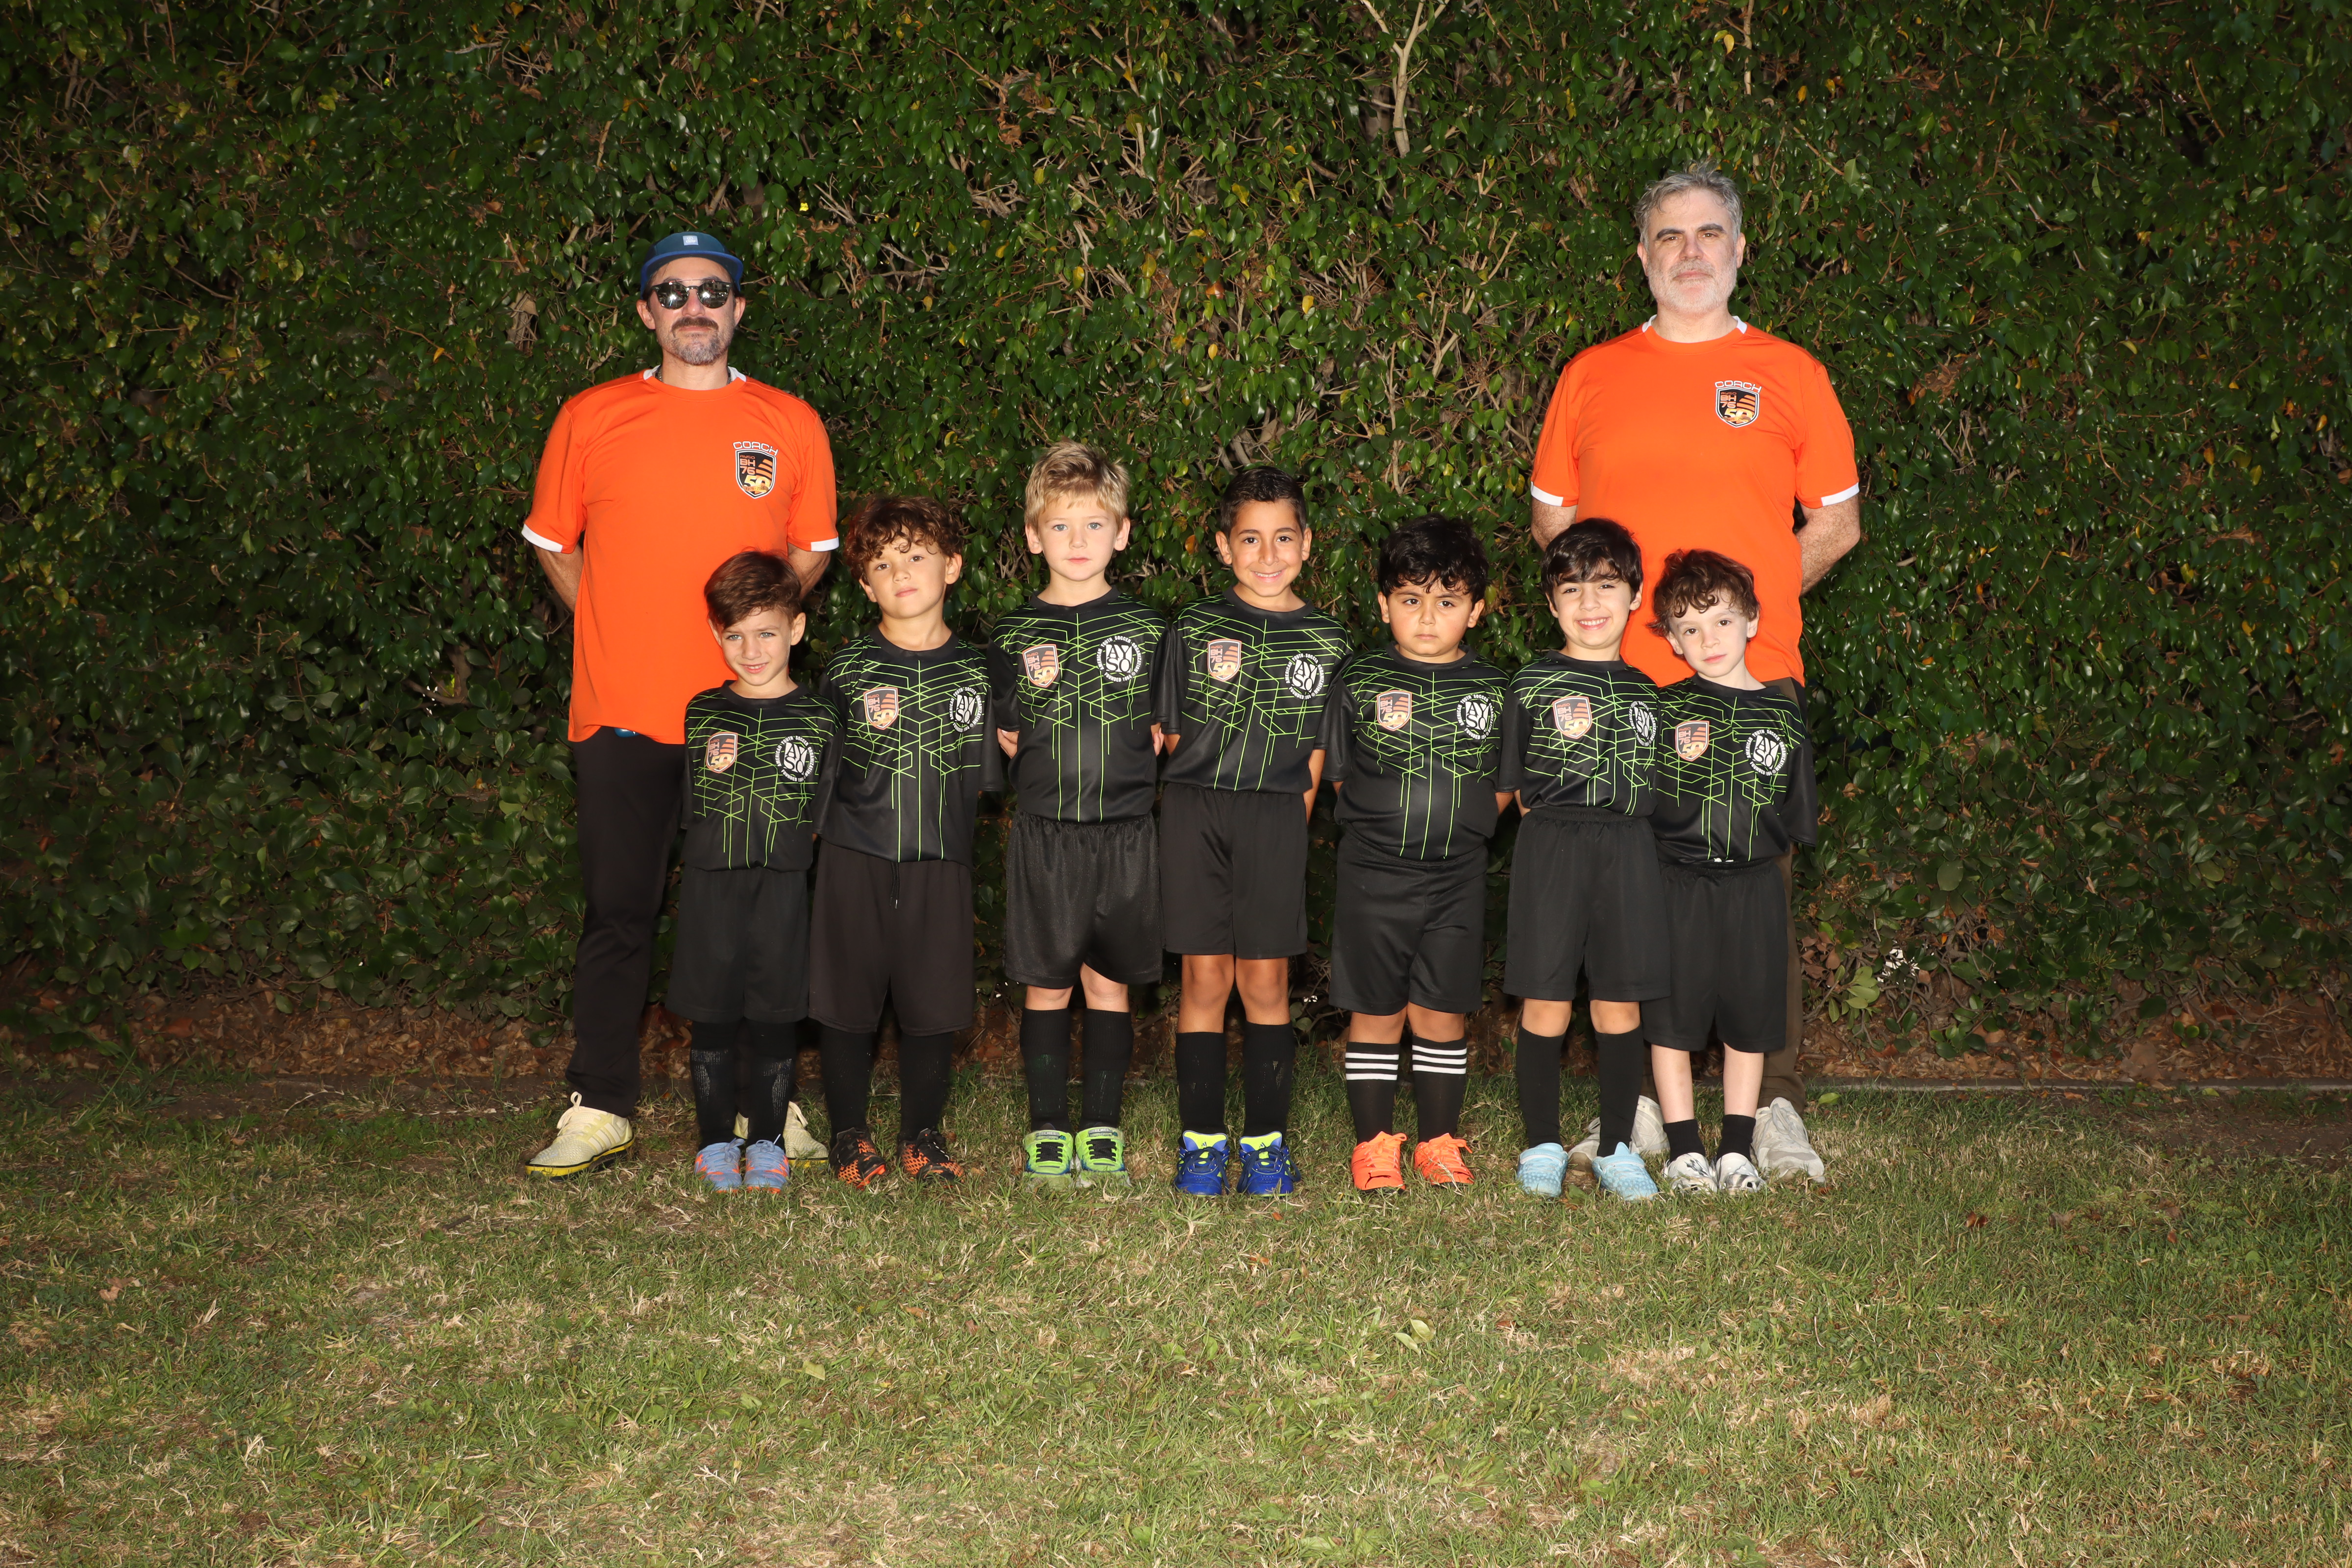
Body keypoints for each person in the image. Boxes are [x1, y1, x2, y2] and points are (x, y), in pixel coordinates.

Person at [1526, 161, 1855, 1182]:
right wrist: (1631, 624)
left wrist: (1735, 623)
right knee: (1633, 897)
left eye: (1710, 233)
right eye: (1668, 236)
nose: (1690, 252)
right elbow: (1553, 520)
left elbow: (1837, 521)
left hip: (1754, 682)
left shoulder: (1790, 372)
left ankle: (1777, 1106)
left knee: (1758, 891)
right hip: (1625, 688)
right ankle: (1636, 1103)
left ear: (1741, 248)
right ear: (1642, 256)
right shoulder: (1592, 373)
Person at [525, 229, 838, 1180]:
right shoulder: (592, 414)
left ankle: (764, 1103)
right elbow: (554, 542)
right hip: (624, 707)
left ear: (738, 308)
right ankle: (600, 1104)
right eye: (672, 292)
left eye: (711, 290)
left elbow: (812, 550)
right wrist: (610, 619)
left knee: (755, 918)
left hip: (748, 720)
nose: (692, 306)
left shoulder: (789, 421)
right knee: (619, 912)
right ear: (645, 311)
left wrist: (756, 639)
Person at [1155, 466, 1351, 1197]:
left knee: (1266, 981)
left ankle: (1267, 1143)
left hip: (1276, 815)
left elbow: (1321, 750)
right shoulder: (1194, 628)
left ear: (1307, 544)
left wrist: (1289, 821)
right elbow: (1172, 733)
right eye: (1249, 539)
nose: (1268, 555)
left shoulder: (1329, 640)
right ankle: (1203, 1143)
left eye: (1283, 538)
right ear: (1223, 547)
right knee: (1203, 977)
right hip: (1197, 811)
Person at [987, 442, 1168, 1190]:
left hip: (1124, 834)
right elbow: (1008, 737)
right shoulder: (1010, 635)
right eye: (1060, 526)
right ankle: (1046, 1132)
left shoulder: (1150, 631)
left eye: (1094, 525)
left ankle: (1101, 1130)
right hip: (1047, 835)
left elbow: (1161, 732)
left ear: (1122, 533)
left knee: (1108, 984)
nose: (1078, 541)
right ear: (1034, 536)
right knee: (1048, 985)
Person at [808, 497, 1002, 1188]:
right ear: (865, 586)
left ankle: (923, 1134)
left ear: (953, 566)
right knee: (846, 1003)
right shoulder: (847, 670)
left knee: (932, 1004)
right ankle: (848, 1134)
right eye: (883, 564)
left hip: (939, 861)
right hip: (854, 858)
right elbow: (819, 777)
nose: (901, 573)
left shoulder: (980, 672)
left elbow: (989, 778)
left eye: (916, 556)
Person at [1319, 517, 1510, 1194]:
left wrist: (1464, 828)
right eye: (1410, 599)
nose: (1428, 618)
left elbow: (1505, 782)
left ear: (1476, 611)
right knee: (1376, 1010)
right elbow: (1338, 772)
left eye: (1447, 601)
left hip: (1457, 876)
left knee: (1441, 1010)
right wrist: (1384, 825)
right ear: (1384, 605)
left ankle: (1437, 1143)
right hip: (1374, 872)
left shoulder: (1495, 690)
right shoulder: (1361, 678)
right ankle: (1374, 1147)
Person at [1499, 519, 1666, 1203]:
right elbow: (1514, 786)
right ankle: (1542, 1143)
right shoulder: (1531, 683)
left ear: (1635, 597)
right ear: (1551, 602)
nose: (1590, 602)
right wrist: (1556, 838)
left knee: (1618, 1005)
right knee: (1545, 1002)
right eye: (1572, 588)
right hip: (1553, 847)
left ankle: (1617, 1147)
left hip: (1628, 851)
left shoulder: (1650, 694)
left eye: (1606, 586)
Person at [1643, 550, 1818, 1195]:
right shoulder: (1666, 711)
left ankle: (1737, 1150)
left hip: (1754, 884)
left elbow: (1796, 809)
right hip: (1679, 884)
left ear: (1753, 621)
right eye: (1689, 628)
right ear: (1672, 640)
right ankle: (1685, 1151)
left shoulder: (1783, 712)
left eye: (1721, 621)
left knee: (1750, 1019)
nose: (1708, 639)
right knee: (1672, 1020)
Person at [669, 552, 837, 1192]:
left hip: (783, 889)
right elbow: (693, 803)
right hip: (712, 886)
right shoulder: (702, 712)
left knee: (774, 1021)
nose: (752, 650)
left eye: (766, 633)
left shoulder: (821, 719)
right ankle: (715, 1142)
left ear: (796, 628)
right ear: (716, 635)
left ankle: (767, 1141)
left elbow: (822, 812)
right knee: (711, 1021)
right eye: (735, 635)